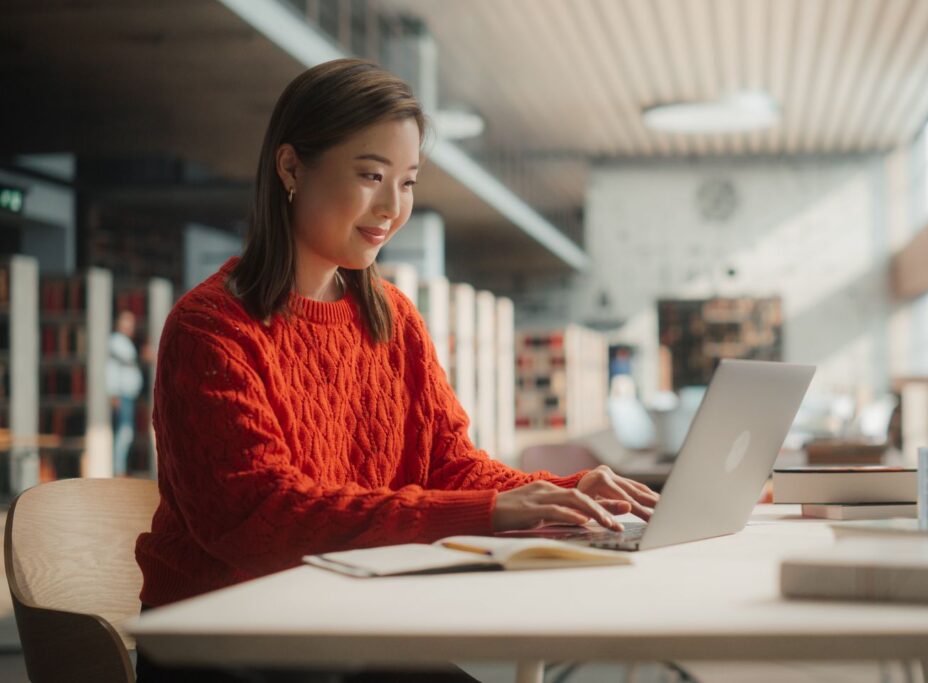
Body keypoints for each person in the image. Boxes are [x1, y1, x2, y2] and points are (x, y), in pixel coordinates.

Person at [134, 58, 658, 683]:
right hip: (227, 640)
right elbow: (258, 516)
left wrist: (561, 494)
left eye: (407, 182)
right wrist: (494, 509)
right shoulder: (211, 326)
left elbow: (448, 463)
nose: (392, 206)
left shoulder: (391, 317)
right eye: (371, 175)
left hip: (349, 620)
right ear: (291, 167)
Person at [107, 309, 143, 477]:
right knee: (124, 433)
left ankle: (120, 467)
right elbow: (112, 370)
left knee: (126, 433)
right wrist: (113, 393)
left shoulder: (125, 342)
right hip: (121, 395)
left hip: (127, 396)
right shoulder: (115, 341)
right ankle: (118, 469)